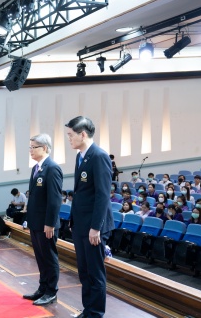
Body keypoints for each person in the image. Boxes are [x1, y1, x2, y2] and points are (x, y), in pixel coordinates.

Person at [66, 116, 113, 317]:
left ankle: (96, 313)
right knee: (84, 272)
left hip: (93, 226)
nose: (69, 139)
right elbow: (81, 193)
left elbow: (103, 195)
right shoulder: (81, 156)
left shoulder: (99, 155)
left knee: (95, 273)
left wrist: (96, 227)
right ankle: (88, 310)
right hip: (81, 224)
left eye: (71, 135)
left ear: (83, 134)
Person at [23, 133, 63, 306]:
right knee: (40, 257)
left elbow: (55, 199)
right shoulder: (36, 168)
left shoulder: (52, 168)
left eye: (34, 147)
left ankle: (51, 291)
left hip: (46, 224)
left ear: (45, 148)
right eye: (30, 147)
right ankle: (42, 288)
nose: (30, 150)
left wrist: (50, 223)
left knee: (49, 257)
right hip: (35, 221)